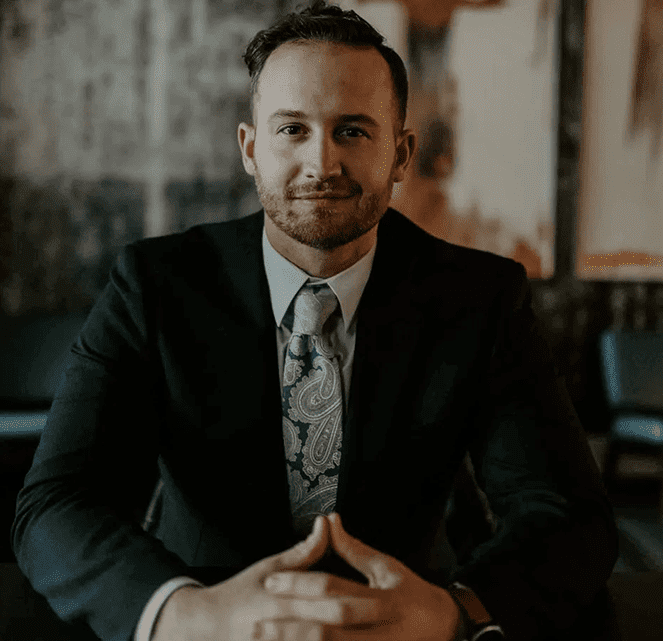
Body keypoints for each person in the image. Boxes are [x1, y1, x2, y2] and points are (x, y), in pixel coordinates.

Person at [12, 2, 619, 641]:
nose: (321, 164)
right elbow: (57, 504)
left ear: (402, 152)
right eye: (292, 129)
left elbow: (570, 515)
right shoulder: (153, 285)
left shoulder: (482, 297)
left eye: (353, 131)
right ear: (250, 149)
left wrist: (455, 611)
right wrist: (184, 613)